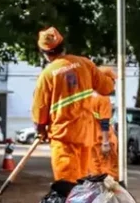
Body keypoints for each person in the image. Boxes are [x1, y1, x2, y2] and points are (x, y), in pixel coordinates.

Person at [31, 28, 115, 183]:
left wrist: (40, 129)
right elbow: (107, 87)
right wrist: (110, 75)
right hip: (85, 136)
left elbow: (40, 108)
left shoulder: (47, 75)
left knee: (67, 186)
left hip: (63, 138)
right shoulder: (85, 64)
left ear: (45, 53)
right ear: (63, 46)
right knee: (80, 184)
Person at [90, 66, 120, 180]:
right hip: (102, 141)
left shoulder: (88, 95)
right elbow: (105, 122)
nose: (114, 84)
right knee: (109, 173)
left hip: (91, 142)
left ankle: (99, 196)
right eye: (112, 80)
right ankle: (110, 197)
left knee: (95, 173)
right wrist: (106, 142)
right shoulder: (103, 98)